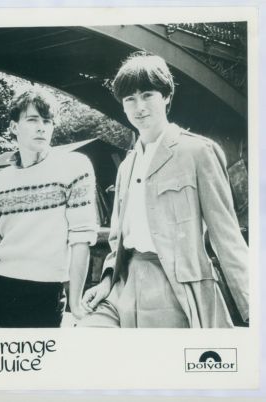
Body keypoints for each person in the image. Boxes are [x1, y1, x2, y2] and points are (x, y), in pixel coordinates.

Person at [79, 51, 249, 328]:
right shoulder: (127, 166)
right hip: (124, 285)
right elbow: (118, 240)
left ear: (167, 96)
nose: (139, 107)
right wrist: (106, 281)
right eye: (129, 99)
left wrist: (251, 306)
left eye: (147, 95)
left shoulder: (198, 151)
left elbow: (227, 236)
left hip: (176, 287)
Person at [0, 88, 99, 328]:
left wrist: (75, 302)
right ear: (14, 127)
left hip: (44, 293)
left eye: (47, 121)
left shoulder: (75, 166)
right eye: (32, 120)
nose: (42, 127)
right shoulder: (3, 179)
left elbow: (82, 238)